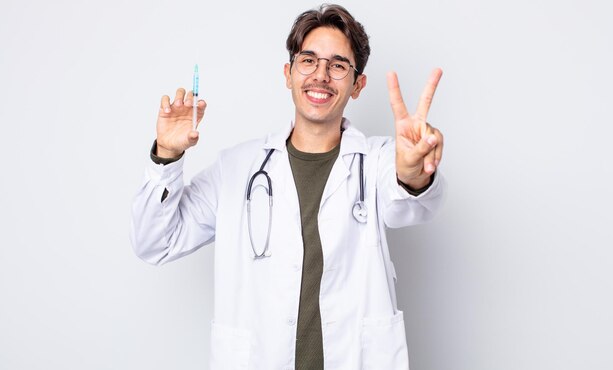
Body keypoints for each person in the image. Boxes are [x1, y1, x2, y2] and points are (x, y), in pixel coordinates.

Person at [131, 4, 445, 369]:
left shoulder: (376, 162)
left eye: (338, 65)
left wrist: (414, 172)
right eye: (308, 60)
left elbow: (408, 203)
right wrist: (167, 155)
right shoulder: (236, 169)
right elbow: (154, 242)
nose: (321, 75)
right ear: (289, 73)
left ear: (358, 85)